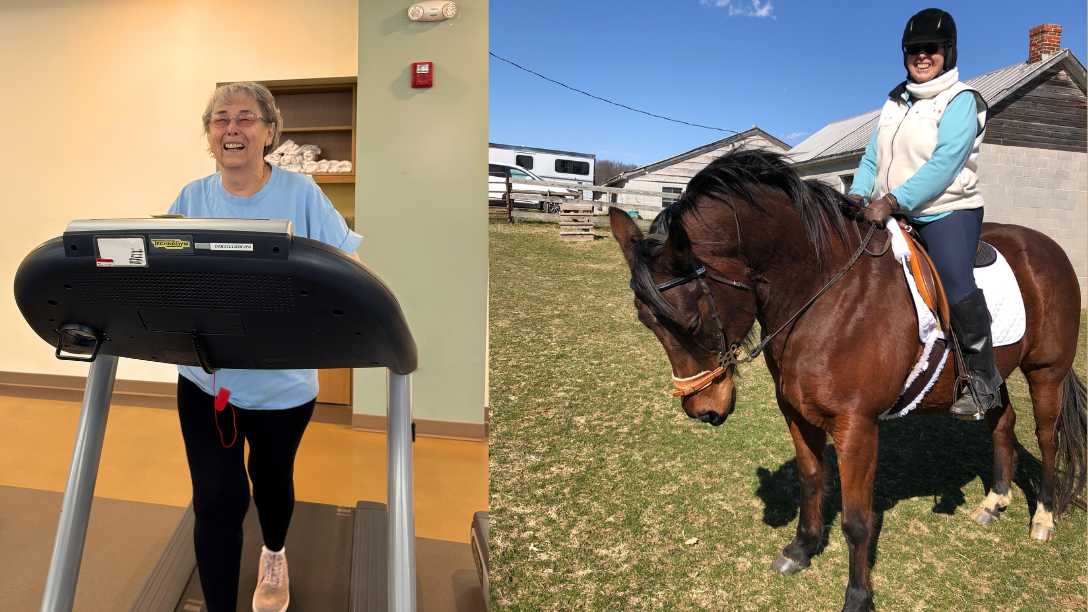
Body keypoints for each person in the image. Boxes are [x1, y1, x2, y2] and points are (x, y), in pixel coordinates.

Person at [168, 81, 363, 612]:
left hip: (282, 384)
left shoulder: (302, 193)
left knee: (271, 481)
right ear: (209, 134)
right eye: (220, 118)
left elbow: (345, 266)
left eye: (245, 118)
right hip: (207, 382)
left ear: (270, 132)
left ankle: (274, 552)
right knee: (216, 499)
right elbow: (166, 275)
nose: (231, 128)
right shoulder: (191, 198)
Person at [846, 8, 1001, 421]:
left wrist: (893, 200)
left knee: (952, 276)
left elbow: (945, 164)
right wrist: (858, 193)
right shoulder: (894, 102)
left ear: (948, 51)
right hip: (888, 209)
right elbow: (871, 157)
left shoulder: (961, 100)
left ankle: (982, 380)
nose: (922, 55)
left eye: (931, 48)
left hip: (945, 210)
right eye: (914, 49)